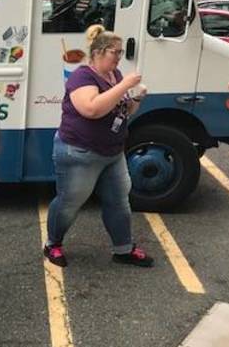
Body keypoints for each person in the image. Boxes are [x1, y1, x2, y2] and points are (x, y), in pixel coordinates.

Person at [44, 25, 154, 268]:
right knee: (70, 201)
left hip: (112, 151)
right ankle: (53, 243)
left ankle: (123, 248)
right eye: (116, 52)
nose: (120, 57)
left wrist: (135, 97)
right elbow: (91, 109)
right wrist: (125, 86)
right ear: (100, 52)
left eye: (120, 53)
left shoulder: (114, 76)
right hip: (80, 151)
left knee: (119, 199)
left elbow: (124, 111)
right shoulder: (82, 76)